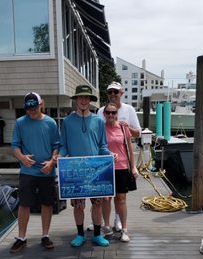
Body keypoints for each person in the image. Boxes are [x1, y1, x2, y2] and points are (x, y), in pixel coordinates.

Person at [58, 85, 113, 248]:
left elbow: (102, 145)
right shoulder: (67, 122)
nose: (83, 100)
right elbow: (63, 146)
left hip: (96, 171)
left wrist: (110, 154)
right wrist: (59, 156)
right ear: (76, 100)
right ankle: (80, 234)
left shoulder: (98, 121)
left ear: (90, 100)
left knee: (97, 204)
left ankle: (97, 234)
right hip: (76, 171)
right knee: (78, 205)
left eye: (86, 97)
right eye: (80, 97)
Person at [10, 92, 60, 253]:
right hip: (27, 171)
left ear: (41, 104)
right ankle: (21, 237)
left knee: (47, 203)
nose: (31, 111)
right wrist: (22, 158)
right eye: (28, 109)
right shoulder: (19, 123)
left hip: (47, 172)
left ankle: (45, 235)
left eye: (34, 108)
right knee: (24, 204)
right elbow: (15, 146)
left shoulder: (51, 123)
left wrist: (52, 162)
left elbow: (57, 146)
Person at [96, 81, 142, 231]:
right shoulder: (100, 111)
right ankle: (104, 223)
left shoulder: (129, 110)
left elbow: (138, 134)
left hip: (122, 163)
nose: (113, 95)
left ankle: (119, 221)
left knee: (120, 197)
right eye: (110, 92)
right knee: (105, 197)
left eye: (116, 92)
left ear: (121, 93)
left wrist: (126, 127)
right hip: (104, 164)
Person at [101, 103, 138, 242]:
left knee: (121, 199)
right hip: (106, 167)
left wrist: (133, 167)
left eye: (113, 112)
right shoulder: (101, 128)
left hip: (122, 167)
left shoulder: (123, 127)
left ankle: (124, 229)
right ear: (104, 114)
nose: (111, 115)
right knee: (106, 199)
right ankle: (106, 227)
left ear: (117, 113)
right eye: (108, 112)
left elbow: (130, 149)